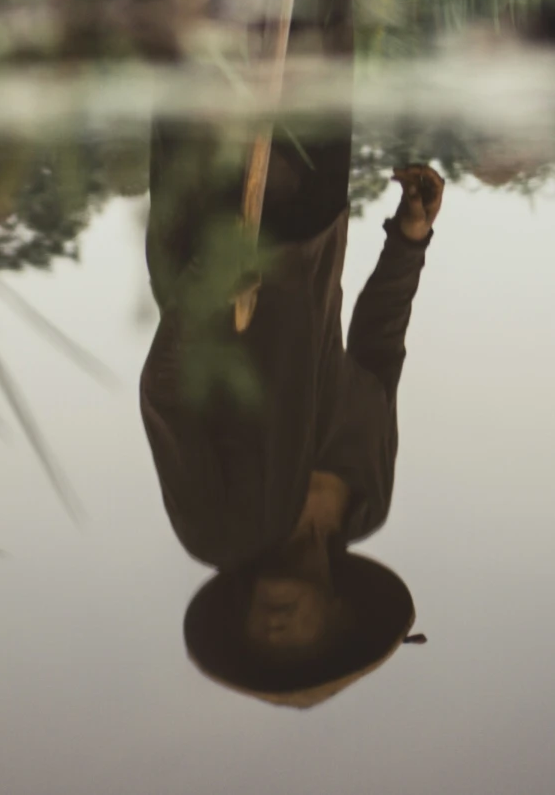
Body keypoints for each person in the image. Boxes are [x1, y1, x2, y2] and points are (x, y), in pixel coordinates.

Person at [140, 105, 444, 707]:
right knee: (316, 33)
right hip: (315, 226)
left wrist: (199, 295)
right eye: (299, 644)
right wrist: (410, 242)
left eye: (262, 644)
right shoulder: (368, 499)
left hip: (218, 237)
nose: (275, 632)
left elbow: (166, 395)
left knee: (212, 43)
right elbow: (378, 357)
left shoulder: (217, 532)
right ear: (338, 616)